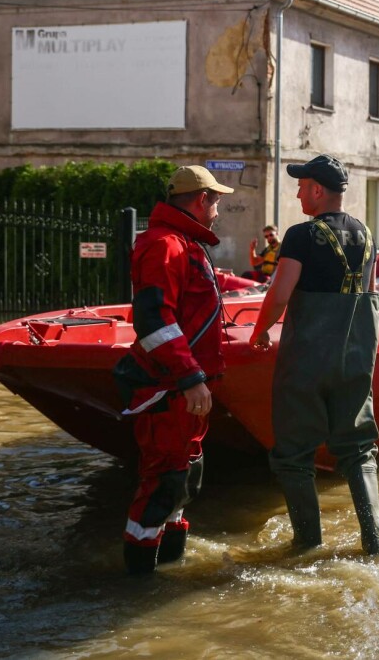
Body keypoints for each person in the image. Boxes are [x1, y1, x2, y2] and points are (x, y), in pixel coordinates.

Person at [248, 154, 379, 555]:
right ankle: (375, 542)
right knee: (360, 450)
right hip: (356, 358)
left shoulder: (300, 235)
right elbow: (370, 294)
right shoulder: (367, 235)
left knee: (294, 455)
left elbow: (279, 294)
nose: (297, 193)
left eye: (301, 185)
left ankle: (307, 544)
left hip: (307, 358)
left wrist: (260, 332)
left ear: (317, 190)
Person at [116, 165, 233, 575]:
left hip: (183, 389)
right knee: (164, 479)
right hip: (169, 389)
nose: (218, 210)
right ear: (201, 201)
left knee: (184, 479)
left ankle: (167, 567)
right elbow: (153, 320)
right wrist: (190, 377)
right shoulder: (165, 245)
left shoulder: (184, 243)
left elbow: (189, 309)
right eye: (216, 201)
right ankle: (138, 586)